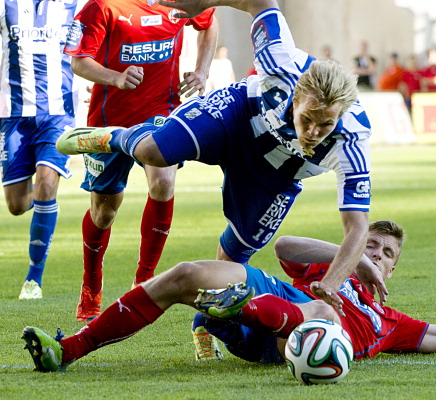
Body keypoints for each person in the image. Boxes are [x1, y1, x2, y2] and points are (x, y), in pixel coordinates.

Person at [57, 0, 381, 311]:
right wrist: (205, 1)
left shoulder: (352, 140)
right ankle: (114, 137)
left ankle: (205, 323)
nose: (312, 131)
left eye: (324, 125)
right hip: (237, 116)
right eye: (307, 119)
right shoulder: (279, 60)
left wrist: (333, 282)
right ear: (295, 97)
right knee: (155, 152)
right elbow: (259, 1)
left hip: (276, 173)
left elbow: (357, 226)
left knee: (229, 268)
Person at [21, 220, 436, 371]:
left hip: (288, 338)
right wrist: (352, 256)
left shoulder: (389, 320)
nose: (379, 259)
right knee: (189, 272)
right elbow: (286, 242)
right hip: (276, 299)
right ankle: (66, 351)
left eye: (389, 255)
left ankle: (240, 312)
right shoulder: (325, 265)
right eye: (373, 247)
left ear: (397, 269)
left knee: (323, 310)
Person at [63, 0, 219, 322]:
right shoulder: (102, 6)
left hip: (161, 114)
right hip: (108, 125)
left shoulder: (180, 3)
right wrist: (116, 77)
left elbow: (209, 24)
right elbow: (80, 62)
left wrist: (203, 70)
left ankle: (144, 281)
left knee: (163, 182)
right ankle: (91, 285)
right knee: (104, 212)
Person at [0, 0, 79, 299]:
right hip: (13, 115)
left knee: (46, 182)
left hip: (59, 113)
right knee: (17, 205)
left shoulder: (75, 5)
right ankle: (45, 209)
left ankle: (33, 279)